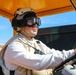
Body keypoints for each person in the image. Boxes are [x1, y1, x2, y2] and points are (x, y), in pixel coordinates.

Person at [3, 8, 76, 75]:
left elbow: (53, 53)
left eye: (37, 21)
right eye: (30, 21)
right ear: (20, 25)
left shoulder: (37, 43)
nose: (35, 24)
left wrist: (72, 52)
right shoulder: (13, 47)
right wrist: (72, 52)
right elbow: (38, 62)